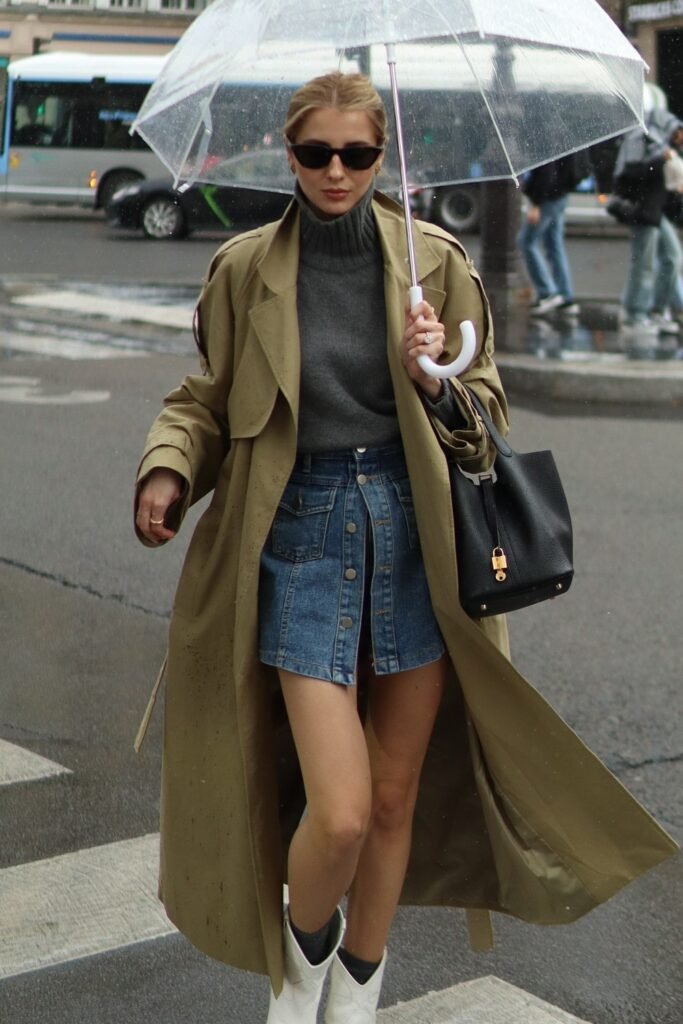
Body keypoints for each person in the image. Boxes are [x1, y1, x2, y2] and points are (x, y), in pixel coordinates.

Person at [134, 73, 676, 1024]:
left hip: (416, 541)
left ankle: (357, 993)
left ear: (383, 157)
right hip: (299, 539)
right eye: (315, 153)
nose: (336, 172)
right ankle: (297, 972)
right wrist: (168, 467)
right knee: (339, 811)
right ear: (289, 154)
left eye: (357, 154)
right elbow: (206, 400)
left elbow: (486, 420)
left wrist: (436, 376)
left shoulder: (436, 265)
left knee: (391, 801)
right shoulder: (244, 269)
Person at [611, 108, 683, 336]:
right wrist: (659, 160)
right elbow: (630, 174)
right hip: (642, 210)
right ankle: (635, 314)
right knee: (643, 264)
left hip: (655, 212)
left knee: (672, 258)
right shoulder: (642, 139)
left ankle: (657, 311)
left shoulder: (666, 146)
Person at [517, 154, 585, 316]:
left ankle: (547, 292)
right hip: (559, 194)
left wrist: (536, 203)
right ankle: (564, 295)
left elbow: (546, 172)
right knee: (554, 245)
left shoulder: (545, 143)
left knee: (526, 241)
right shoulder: (560, 140)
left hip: (548, 197)